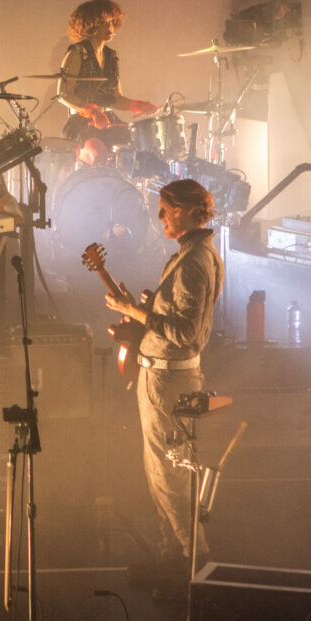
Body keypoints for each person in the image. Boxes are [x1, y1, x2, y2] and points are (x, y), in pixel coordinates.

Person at [104, 179, 223, 599]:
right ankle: (173, 560)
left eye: (166, 209)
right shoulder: (194, 255)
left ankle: (193, 566)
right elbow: (178, 317)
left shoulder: (193, 262)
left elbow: (187, 333)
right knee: (162, 475)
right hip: (165, 377)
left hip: (168, 381)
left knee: (170, 477)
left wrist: (133, 311)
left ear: (192, 211)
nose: (159, 217)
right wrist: (150, 307)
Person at [57, 0, 159, 166]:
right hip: (82, 122)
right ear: (91, 25)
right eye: (104, 23)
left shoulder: (111, 56)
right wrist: (93, 112)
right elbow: (63, 94)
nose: (110, 28)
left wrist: (140, 105)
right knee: (99, 153)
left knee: (141, 149)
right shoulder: (77, 52)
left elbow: (116, 98)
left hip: (107, 119)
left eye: (111, 22)